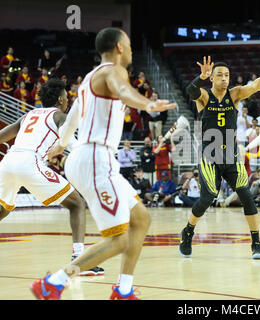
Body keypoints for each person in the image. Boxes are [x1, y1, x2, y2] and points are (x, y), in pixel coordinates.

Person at [33, 27, 176, 300]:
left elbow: (73, 116)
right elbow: (124, 91)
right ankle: (54, 282)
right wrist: (147, 104)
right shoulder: (114, 70)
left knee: (141, 219)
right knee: (119, 239)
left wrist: (61, 144)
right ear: (119, 47)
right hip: (96, 159)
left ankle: (123, 289)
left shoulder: (88, 79)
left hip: (90, 157)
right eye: (130, 45)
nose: (132, 50)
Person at [179, 56, 260, 260]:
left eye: (226, 75)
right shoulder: (204, 97)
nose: (224, 78)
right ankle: (188, 231)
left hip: (231, 155)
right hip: (210, 155)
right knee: (208, 198)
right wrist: (201, 77)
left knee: (246, 196)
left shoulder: (234, 94)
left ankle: (256, 243)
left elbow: (254, 86)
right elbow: (191, 91)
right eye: (219, 75)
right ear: (212, 78)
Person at [0, 79, 104, 277]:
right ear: (59, 99)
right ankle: (79, 260)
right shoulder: (59, 116)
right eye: (66, 96)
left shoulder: (28, 115)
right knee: (77, 204)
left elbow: (2, 135)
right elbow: (71, 141)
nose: (67, 100)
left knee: (3, 208)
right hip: (29, 161)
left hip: (8, 162)